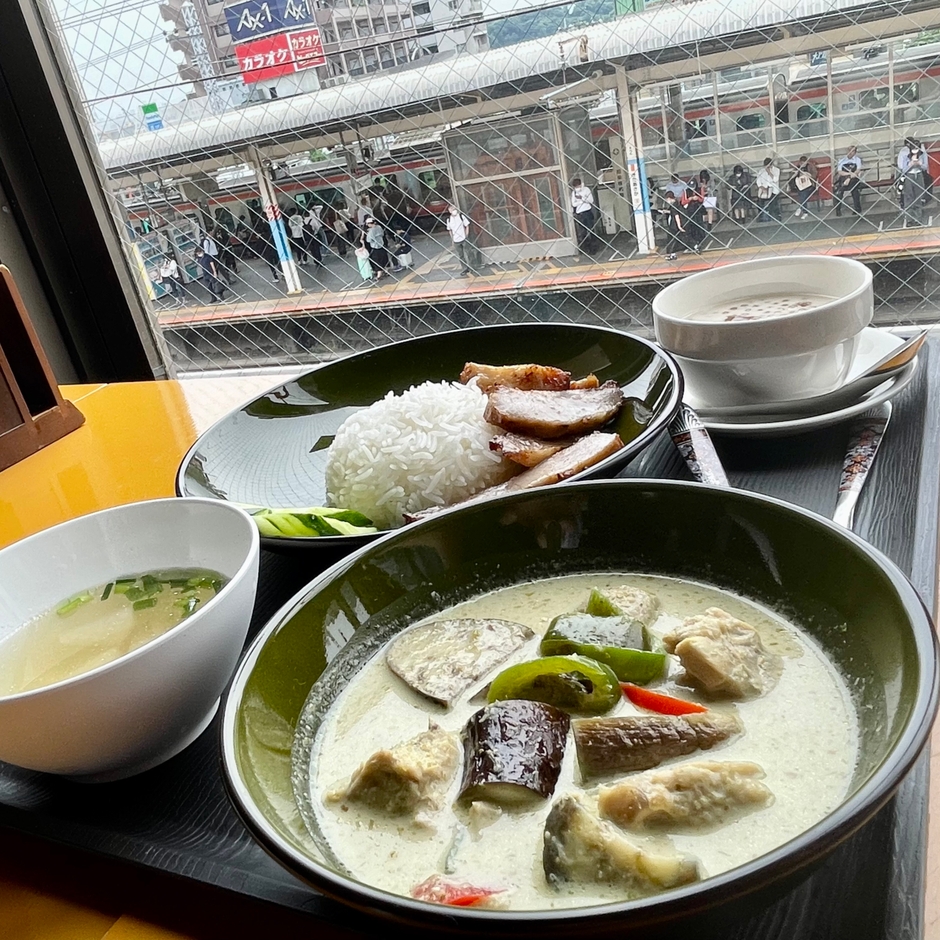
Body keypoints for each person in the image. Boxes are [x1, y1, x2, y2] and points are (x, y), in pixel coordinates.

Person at [901, 147, 930, 227]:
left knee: (918, 197)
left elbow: (925, 167)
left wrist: (920, 164)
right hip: (909, 175)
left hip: (919, 175)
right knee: (908, 197)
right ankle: (909, 219)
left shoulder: (922, 153)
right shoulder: (904, 153)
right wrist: (910, 164)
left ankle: (918, 218)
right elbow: (903, 169)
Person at [570, 177, 599, 255]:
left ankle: (593, 248)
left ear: (581, 185)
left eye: (578, 186)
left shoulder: (586, 190)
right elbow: (573, 204)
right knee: (583, 232)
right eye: (575, 187)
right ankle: (586, 248)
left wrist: (582, 199)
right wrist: (581, 202)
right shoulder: (574, 193)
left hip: (587, 212)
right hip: (580, 214)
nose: (577, 188)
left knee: (591, 230)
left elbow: (591, 200)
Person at [445, 204, 475, 276]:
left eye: (454, 209)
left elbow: (467, 225)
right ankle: (465, 268)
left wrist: (466, 235)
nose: (454, 210)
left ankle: (472, 267)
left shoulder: (461, 216)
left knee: (469, 253)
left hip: (463, 238)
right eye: (452, 209)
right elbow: (450, 230)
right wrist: (452, 239)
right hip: (456, 240)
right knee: (461, 255)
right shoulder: (449, 220)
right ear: (449, 211)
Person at [834, 145, 863, 216]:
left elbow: (857, 171)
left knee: (855, 190)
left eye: (852, 151)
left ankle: (857, 209)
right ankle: (838, 210)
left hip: (853, 178)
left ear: (855, 152)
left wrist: (849, 178)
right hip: (843, 178)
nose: (850, 152)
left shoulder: (857, 160)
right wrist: (849, 174)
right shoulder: (842, 160)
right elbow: (840, 172)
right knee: (838, 192)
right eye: (849, 150)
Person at [661, 191, 686, 261]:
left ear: (669, 198)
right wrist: (666, 211)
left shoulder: (674, 206)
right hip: (675, 225)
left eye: (666, 200)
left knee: (671, 240)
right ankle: (672, 254)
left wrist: (679, 226)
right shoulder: (677, 203)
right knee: (676, 239)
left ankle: (671, 254)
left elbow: (676, 215)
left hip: (674, 225)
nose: (666, 201)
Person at [755, 157, 782, 222]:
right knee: (759, 203)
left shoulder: (776, 170)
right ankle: (762, 217)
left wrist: (769, 172)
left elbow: (775, 179)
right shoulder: (761, 171)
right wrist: (762, 187)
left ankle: (775, 216)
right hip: (764, 190)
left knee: (773, 203)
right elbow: (758, 181)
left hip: (773, 190)